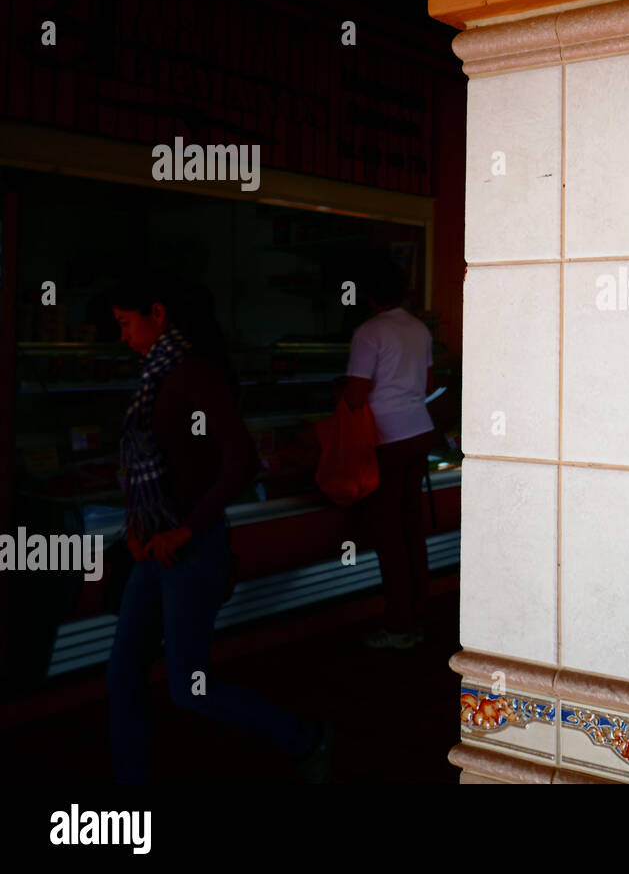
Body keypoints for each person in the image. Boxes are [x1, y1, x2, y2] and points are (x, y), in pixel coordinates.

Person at [106, 271, 332, 782]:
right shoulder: (159, 376)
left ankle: (306, 738)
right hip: (156, 550)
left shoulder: (192, 375)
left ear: (158, 315)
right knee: (123, 673)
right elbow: (157, 468)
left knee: (188, 686)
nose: (123, 337)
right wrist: (140, 529)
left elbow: (239, 463)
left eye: (126, 323)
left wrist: (185, 531)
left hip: (192, 548)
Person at [344, 257, 436, 651]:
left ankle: (400, 626)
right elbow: (428, 381)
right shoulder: (419, 329)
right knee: (411, 528)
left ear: (369, 295)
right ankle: (419, 615)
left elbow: (355, 393)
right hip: (419, 431)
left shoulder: (369, 331)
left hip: (387, 439)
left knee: (388, 533)